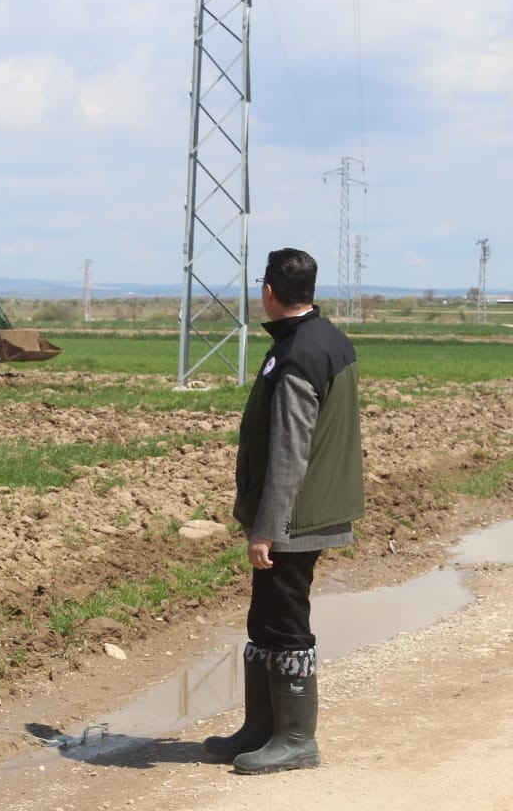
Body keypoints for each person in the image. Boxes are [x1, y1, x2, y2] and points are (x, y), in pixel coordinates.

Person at [202, 247, 364, 774]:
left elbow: (290, 451)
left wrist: (267, 530)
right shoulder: (326, 340)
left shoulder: (298, 354)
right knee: (265, 618)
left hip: (296, 515)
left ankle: (296, 740)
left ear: (268, 292)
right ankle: (262, 728)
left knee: (286, 622)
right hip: (303, 508)